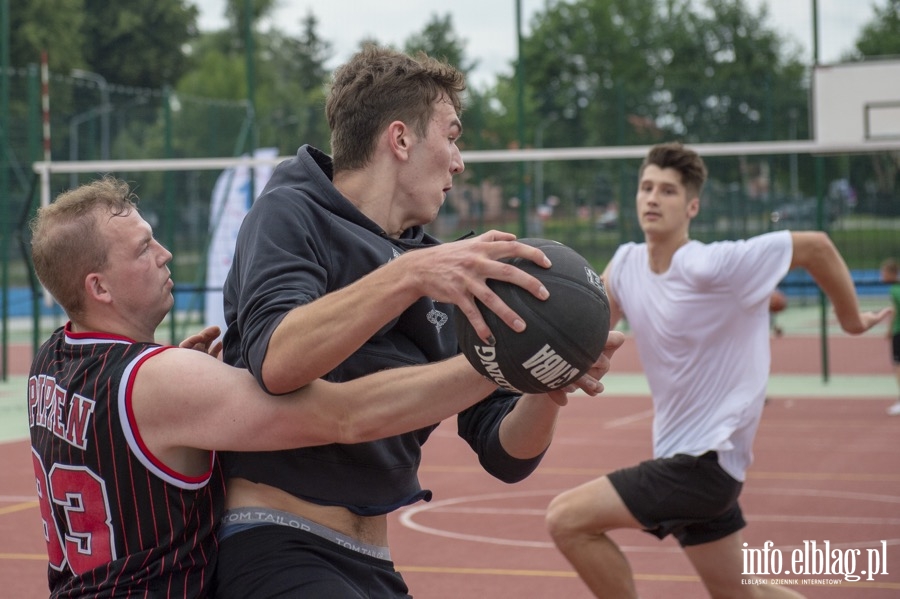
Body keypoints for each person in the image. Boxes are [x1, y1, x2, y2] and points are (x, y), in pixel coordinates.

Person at [26, 177, 612, 598]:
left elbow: (122, 430)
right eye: (143, 248)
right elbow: (344, 416)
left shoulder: (52, 362)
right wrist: (511, 359)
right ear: (98, 287)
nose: (165, 253)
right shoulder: (159, 381)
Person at [215, 44, 624, 598]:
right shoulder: (292, 211)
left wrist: (542, 379)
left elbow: (506, 455)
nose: (459, 161)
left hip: (372, 561)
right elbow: (278, 360)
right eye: (452, 135)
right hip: (276, 545)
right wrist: (411, 275)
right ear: (401, 139)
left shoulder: (441, 268)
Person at [545, 142, 892, 599]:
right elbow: (589, 335)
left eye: (667, 191)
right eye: (646, 187)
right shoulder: (628, 263)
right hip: (689, 459)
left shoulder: (713, 264)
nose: (652, 198)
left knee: (567, 520)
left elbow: (817, 247)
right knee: (746, 594)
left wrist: (850, 321)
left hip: (704, 462)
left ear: (692, 205)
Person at [882, 258, 900, 415]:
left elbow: (894, 312)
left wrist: (888, 330)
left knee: (898, 366)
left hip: (898, 332)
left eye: (883, 272)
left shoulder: (895, 289)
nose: (881, 276)